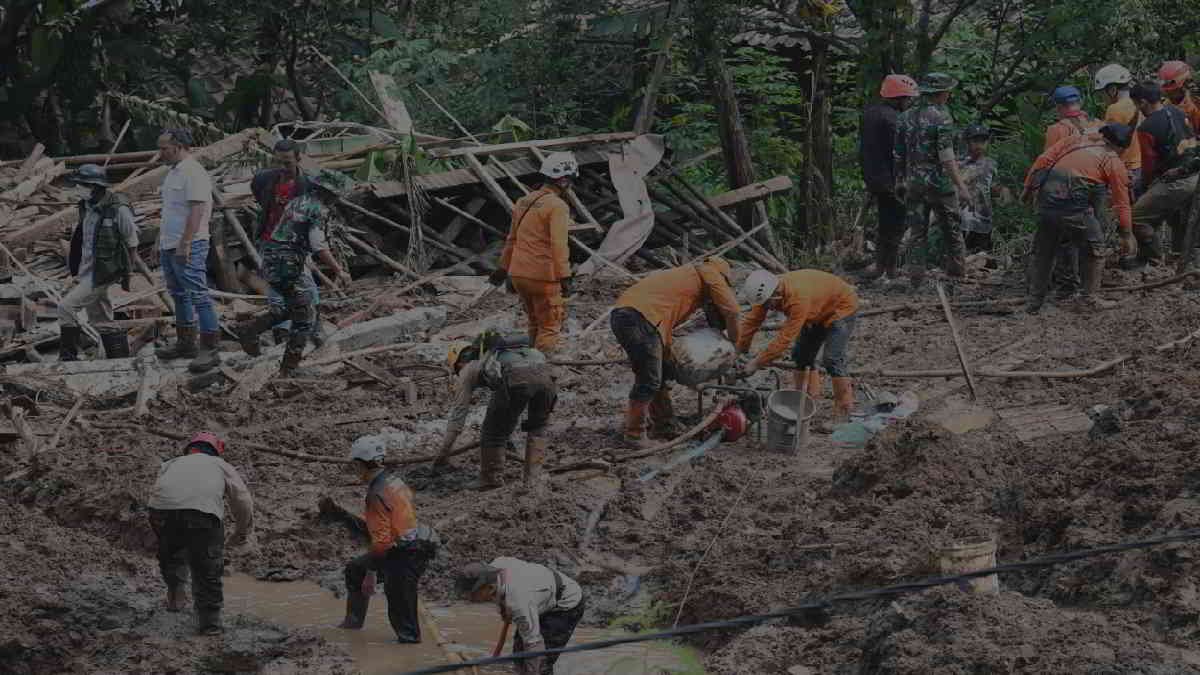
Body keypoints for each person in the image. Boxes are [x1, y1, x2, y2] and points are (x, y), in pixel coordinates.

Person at [609, 257, 740, 448]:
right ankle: (634, 435)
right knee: (649, 379)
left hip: (629, 315)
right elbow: (734, 311)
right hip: (639, 318)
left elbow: (665, 316)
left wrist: (669, 352)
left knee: (657, 373)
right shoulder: (711, 273)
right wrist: (736, 344)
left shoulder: (687, 277)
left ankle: (664, 424)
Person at [235, 169, 353, 376]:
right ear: (330, 194)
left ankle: (251, 330)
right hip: (287, 263)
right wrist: (340, 270)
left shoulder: (297, 202)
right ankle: (289, 369)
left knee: (299, 307)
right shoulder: (318, 210)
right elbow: (318, 245)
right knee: (304, 313)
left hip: (272, 258)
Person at [147, 432, 254, 635]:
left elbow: (161, 490)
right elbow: (243, 501)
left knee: (171, 554)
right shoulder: (220, 465)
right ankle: (210, 625)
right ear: (216, 452)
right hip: (202, 514)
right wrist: (241, 531)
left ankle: (175, 599)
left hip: (160, 511)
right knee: (207, 568)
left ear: (189, 449)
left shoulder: (171, 463)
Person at [1021, 124, 1134, 313]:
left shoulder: (1075, 141)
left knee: (1045, 251)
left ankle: (1034, 302)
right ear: (1122, 147)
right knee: (1096, 247)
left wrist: (1026, 189)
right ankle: (1089, 298)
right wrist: (1127, 234)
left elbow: (1043, 159)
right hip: (1072, 204)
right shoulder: (1112, 160)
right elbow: (1121, 203)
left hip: (1046, 199)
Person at [338, 439, 439, 643]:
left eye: (354, 466)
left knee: (405, 622)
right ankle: (353, 623)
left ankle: (409, 649)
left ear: (360, 465)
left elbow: (382, 543)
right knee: (355, 569)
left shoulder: (376, 494)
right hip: (417, 539)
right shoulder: (394, 480)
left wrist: (372, 573)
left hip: (405, 552)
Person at [434, 331, 557, 491]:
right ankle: (533, 479)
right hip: (545, 373)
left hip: (516, 376)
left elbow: (458, 416)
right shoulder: (499, 353)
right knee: (538, 427)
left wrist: (442, 455)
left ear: (459, 363)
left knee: (493, 433)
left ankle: (491, 479)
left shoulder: (468, 369)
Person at [735, 269, 859, 424]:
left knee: (832, 358)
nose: (769, 308)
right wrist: (739, 350)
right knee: (801, 356)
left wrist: (756, 363)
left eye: (769, 304)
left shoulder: (798, 298)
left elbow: (784, 339)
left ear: (777, 293)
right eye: (765, 305)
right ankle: (807, 402)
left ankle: (844, 411)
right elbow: (751, 322)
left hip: (842, 307)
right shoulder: (766, 294)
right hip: (817, 309)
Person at [490, 152, 577, 354]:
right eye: (571, 180)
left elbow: (512, 238)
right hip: (542, 277)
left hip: (518, 275)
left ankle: (528, 359)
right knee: (549, 326)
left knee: (534, 322)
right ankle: (539, 367)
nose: (571, 185)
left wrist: (502, 269)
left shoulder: (523, 201)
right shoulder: (557, 206)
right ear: (563, 180)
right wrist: (565, 276)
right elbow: (558, 244)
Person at [154, 128, 221, 373]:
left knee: (198, 295)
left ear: (179, 146)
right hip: (169, 242)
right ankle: (186, 342)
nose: (160, 153)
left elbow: (197, 211)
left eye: (164, 148)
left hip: (189, 243)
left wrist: (185, 243)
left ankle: (210, 348)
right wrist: (160, 241)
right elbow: (170, 211)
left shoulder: (193, 172)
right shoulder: (173, 172)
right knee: (179, 294)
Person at [894, 72, 971, 286]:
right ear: (941, 93)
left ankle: (916, 277)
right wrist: (961, 186)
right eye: (947, 91)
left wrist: (899, 180)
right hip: (940, 183)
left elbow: (898, 154)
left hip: (914, 183)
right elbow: (946, 156)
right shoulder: (942, 116)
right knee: (951, 227)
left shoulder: (904, 116)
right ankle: (956, 272)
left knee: (917, 231)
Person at [59, 164, 139, 361]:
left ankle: (68, 358)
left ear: (94, 186)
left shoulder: (118, 209)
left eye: (81, 184)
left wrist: (127, 273)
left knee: (66, 307)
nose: (78, 188)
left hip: (103, 272)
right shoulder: (86, 206)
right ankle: (119, 358)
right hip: (87, 270)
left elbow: (132, 242)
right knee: (100, 318)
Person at [456, 558, 584, 675]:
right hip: (539, 597)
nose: (468, 598)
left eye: (472, 594)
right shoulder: (496, 567)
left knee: (542, 663)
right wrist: (503, 610)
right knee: (519, 655)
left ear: (489, 588)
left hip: (565, 605)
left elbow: (534, 646)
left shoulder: (518, 602)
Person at [250, 138, 322, 347]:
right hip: (269, 241)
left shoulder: (308, 185)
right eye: (278, 162)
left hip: (295, 243)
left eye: (287, 162)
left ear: (298, 159)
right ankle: (281, 333)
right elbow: (259, 195)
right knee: (275, 288)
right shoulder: (264, 179)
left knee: (306, 284)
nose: (282, 167)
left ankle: (315, 325)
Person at [1129, 82, 1198, 265]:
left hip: (1176, 179)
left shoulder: (1146, 128)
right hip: (1194, 173)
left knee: (1137, 217)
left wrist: (1145, 187)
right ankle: (1177, 258)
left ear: (1143, 102)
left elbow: (1148, 164)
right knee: (1178, 217)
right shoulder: (1178, 112)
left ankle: (1153, 260)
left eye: (1136, 104)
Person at [859, 74, 919, 281]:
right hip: (893, 181)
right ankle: (890, 268)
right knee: (896, 224)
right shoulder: (894, 119)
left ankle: (879, 266)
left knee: (884, 223)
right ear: (899, 97)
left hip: (874, 179)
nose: (910, 102)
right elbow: (902, 152)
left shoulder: (870, 113)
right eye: (908, 98)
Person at [1095, 64, 1143, 195]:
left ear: (1112, 90)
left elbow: (1108, 144)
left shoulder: (1114, 109)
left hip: (1125, 167)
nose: (1102, 98)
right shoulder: (1139, 103)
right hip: (1141, 166)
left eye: (1102, 93)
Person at [959, 124, 999, 253]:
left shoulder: (991, 164)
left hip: (984, 221)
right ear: (967, 142)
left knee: (982, 261)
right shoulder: (958, 164)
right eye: (975, 141)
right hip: (962, 221)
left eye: (983, 141)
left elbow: (992, 188)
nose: (979, 145)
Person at [1044, 86, 1103, 151]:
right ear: (1080, 102)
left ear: (1058, 107)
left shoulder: (1055, 130)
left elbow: (1047, 159)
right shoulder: (1098, 123)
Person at [1160, 60, 1200, 134]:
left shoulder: (1194, 104)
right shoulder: (1162, 107)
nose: (1168, 93)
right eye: (1167, 91)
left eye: (1173, 90)